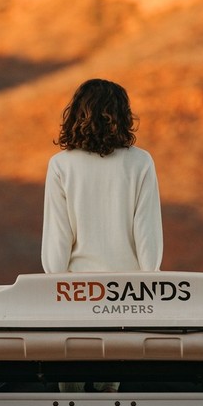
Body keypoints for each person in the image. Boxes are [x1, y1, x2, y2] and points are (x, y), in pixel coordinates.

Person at [41, 78, 164, 275]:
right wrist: (149, 279)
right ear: (123, 116)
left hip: (78, 289)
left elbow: (58, 237)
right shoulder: (140, 162)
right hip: (129, 289)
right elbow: (147, 233)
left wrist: (56, 282)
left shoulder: (61, 165)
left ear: (75, 114)